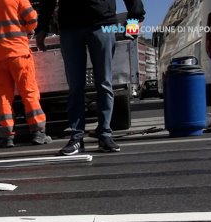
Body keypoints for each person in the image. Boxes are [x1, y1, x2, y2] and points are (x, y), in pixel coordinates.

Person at [36, 0, 145, 156]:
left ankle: (105, 134)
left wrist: (135, 20)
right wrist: (42, 28)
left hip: (102, 23)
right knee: (75, 86)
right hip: (70, 26)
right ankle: (76, 138)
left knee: (104, 83)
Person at [0, 0, 52, 148]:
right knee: (29, 92)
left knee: (4, 97)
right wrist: (27, 29)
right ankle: (38, 132)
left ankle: (7, 136)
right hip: (18, 53)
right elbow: (32, 19)